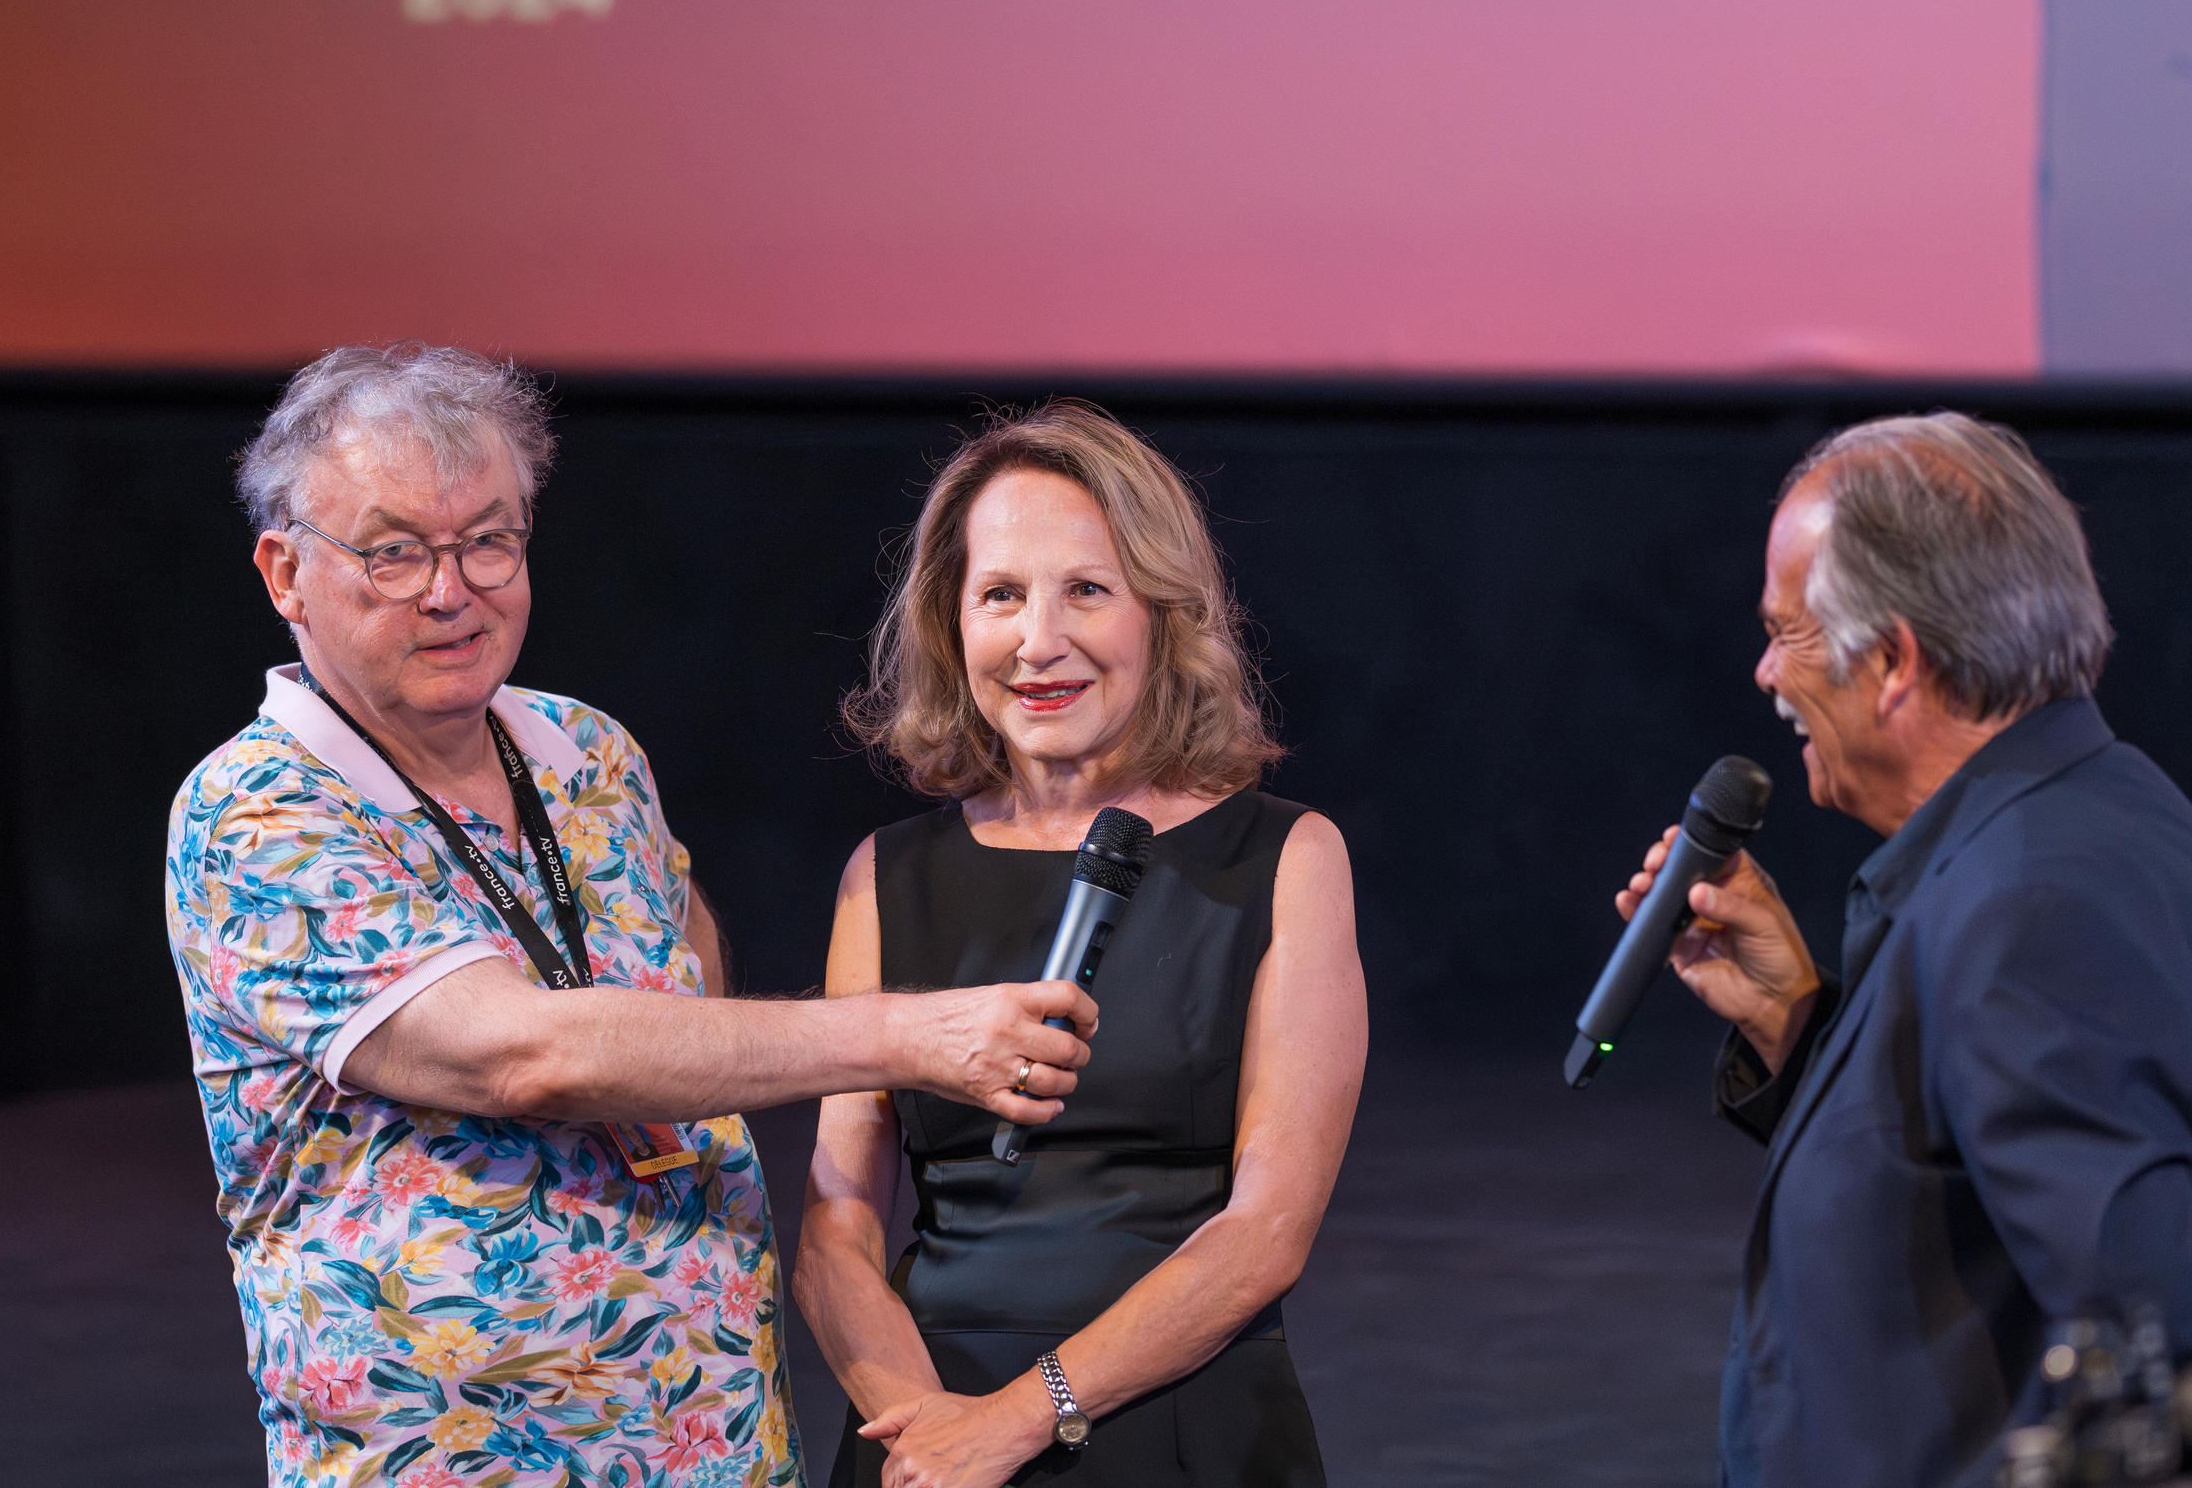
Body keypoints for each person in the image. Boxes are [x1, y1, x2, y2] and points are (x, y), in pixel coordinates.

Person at [166, 344, 1098, 1488]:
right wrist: (909, 1036)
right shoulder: (256, 810)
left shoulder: (588, 753)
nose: (450, 589)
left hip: (708, 1441)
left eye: (487, 540)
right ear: (285, 573)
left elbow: (676, 991)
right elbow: (529, 1058)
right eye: (395, 551)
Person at [1618, 412, 2192, 1487]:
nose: (1762, 673)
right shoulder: (2085, 818)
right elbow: (1972, 1197)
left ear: (1891, 659)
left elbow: (2159, 1333)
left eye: (1785, 631)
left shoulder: (2029, 903)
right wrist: (1796, 1024)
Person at [793, 401, 1367, 1488]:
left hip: (1173, 1419)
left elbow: (1265, 1232)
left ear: (1161, 612)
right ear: (949, 624)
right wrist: (925, 1429)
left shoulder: (1284, 856)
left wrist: (1017, 1420)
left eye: (1085, 592)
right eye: (999, 594)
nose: (1037, 641)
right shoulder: (888, 874)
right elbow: (837, 1223)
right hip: (924, 1424)